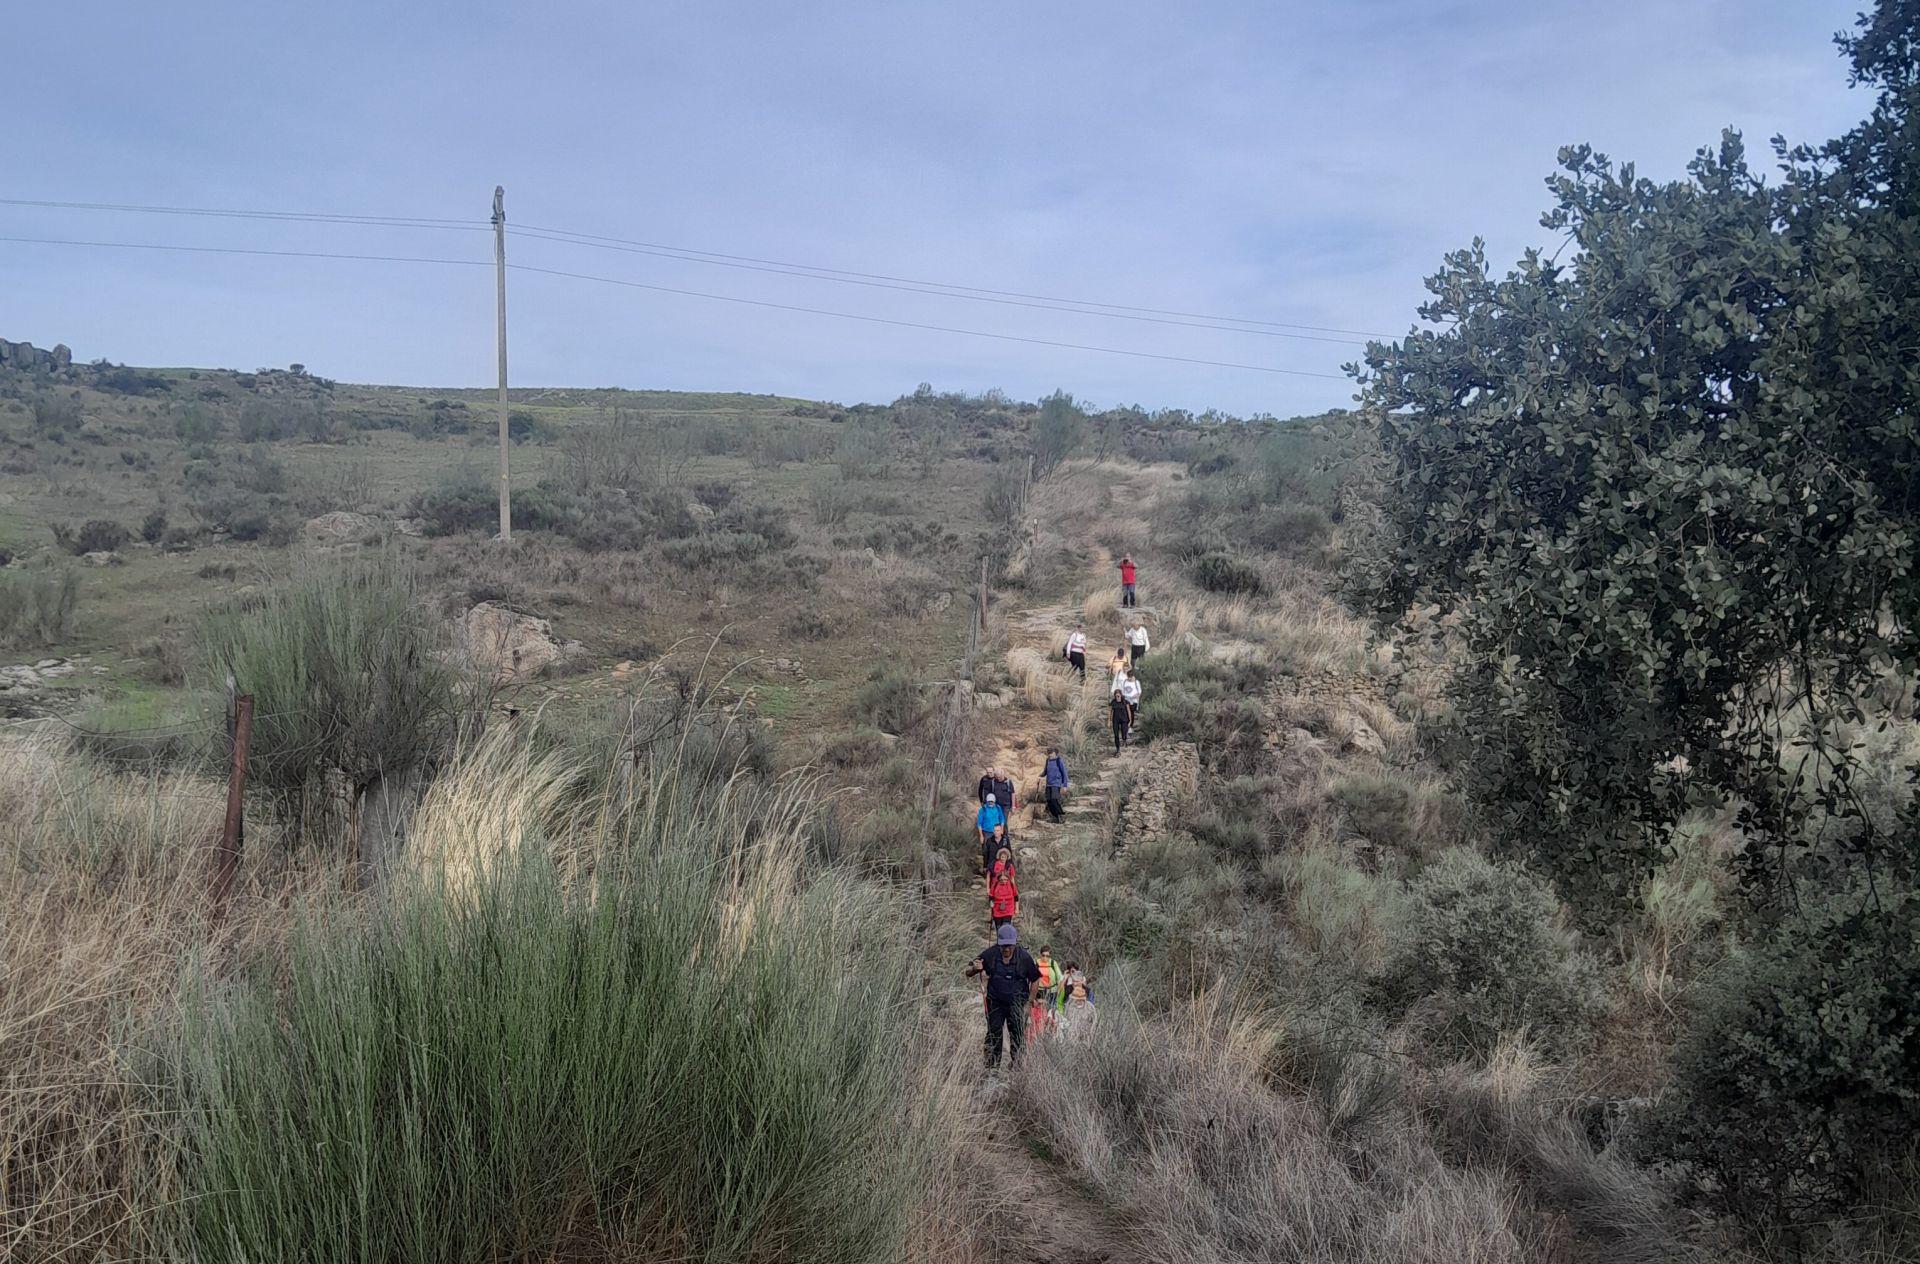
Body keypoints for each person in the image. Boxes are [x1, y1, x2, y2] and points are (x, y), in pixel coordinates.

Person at [965, 923, 1041, 1068]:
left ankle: (1018, 1067)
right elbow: (968, 971)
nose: (1006, 949)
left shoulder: (1024, 958)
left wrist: (1029, 1002)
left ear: (1015, 944)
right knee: (994, 1035)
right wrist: (975, 969)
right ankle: (992, 1069)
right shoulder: (990, 954)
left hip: (1017, 1003)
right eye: (1003, 945)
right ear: (998, 944)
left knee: (1017, 1036)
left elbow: (1035, 979)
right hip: (995, 1003)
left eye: (1009, 946)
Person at [1030, 946, 1062, 1036]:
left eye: (1047, 956)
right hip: (1039, 991)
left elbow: (1060, 977)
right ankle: (1039, 1030)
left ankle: (1051, 1032)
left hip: (1052, 991)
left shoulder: (1053, 963)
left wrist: (1059, 991)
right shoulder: (1037, 963)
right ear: (1040, 955)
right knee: (1039, 1012)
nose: (1045, 958)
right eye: (1043, 955)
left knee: (1051, 1012)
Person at [987, 856, 1019, 929]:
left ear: (1008, 879)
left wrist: (1017, 909)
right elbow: (991, 897)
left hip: (1008, 909)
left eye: (1005, 879)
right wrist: (991, 906)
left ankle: (1005, 940)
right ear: (998, 879)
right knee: (998, 928)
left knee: (1006, 927)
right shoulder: (995, 885)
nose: (1004, 881)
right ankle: (999, 940)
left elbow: (1016, 897)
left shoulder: (1011, 885)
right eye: (1002, 880)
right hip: (997, 910)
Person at [976, 794, 1006, 870]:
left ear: (994, 801)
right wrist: (981, 836)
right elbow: (979, 823)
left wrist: (1001, 830)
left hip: (997, 832)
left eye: (992, 802)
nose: (990, 803)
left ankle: (997, 868)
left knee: (997, 850)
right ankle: (986, 868)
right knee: (986, 850)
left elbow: (1002, 819)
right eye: (989, 802)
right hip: (986, 833)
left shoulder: (998, 808)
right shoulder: (983, 809)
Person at [1043, 747, 1069, 822]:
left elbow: (1064, 773)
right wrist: (1039, 776)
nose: (1050, 755)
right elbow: (1045, 772)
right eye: (1049, 753)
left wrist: (1065, 785)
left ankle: (1061, 815)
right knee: (1049, 800)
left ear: (1055, 753)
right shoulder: (1048, 760)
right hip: (1049, 784)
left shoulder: (1059, 761)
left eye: (1051, 753)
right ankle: (1055, 817)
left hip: (1056, 784)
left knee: (1054, 799)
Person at [1120, 673, 1142, 742]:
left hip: (1133, 700)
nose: (1129, 678)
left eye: (1131, 677)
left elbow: (1139, 691)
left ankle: (1130, 725)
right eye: (1128, 677)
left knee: (1132, 713)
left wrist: (1136, 696)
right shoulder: (1125, 682)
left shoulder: (1136, 682)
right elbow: (1122, 691)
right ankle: (1126, 726)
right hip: (1126, 700)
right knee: (1126, 713)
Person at [1109, 687, 1132, 755]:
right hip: (1115, 719)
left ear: (1121, 694)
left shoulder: (1125, 702)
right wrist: (1109, 721)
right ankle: (1118, 749)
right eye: (1116, 693)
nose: (1117, 695)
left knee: (1124, 732)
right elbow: (1110, 711)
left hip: (1124, 719)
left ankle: (1124, 739)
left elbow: (1128, 711)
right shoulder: (1113, 702)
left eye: (1118, 693)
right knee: (1116, 735)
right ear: (1115, 695)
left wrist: (1130, 720)